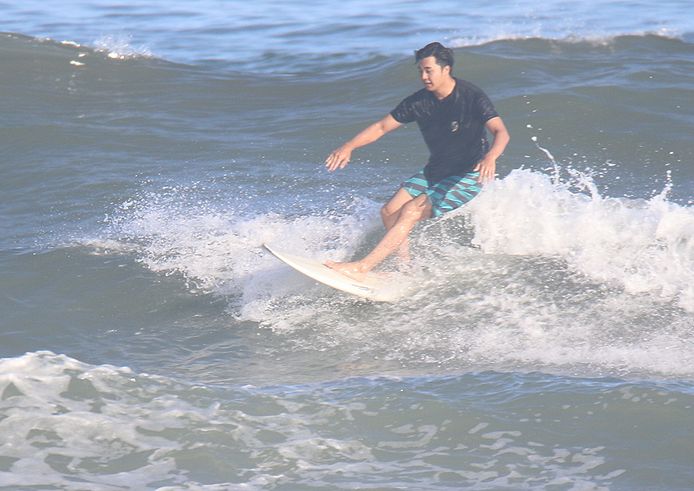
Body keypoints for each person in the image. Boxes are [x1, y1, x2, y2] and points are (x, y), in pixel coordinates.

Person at [324, 42, 510, 280]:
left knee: (411, 210)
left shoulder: (471, 96)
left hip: (468, 174)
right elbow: (382, 127)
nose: (423, 76)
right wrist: (349, 146)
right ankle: (406, 267)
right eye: (421, 71)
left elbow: (501, 132)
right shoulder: (419, 102)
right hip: (437, 169)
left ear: (446, 69)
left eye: (428, 70)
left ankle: (362, 267)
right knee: (389, 211)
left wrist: (491, 157)